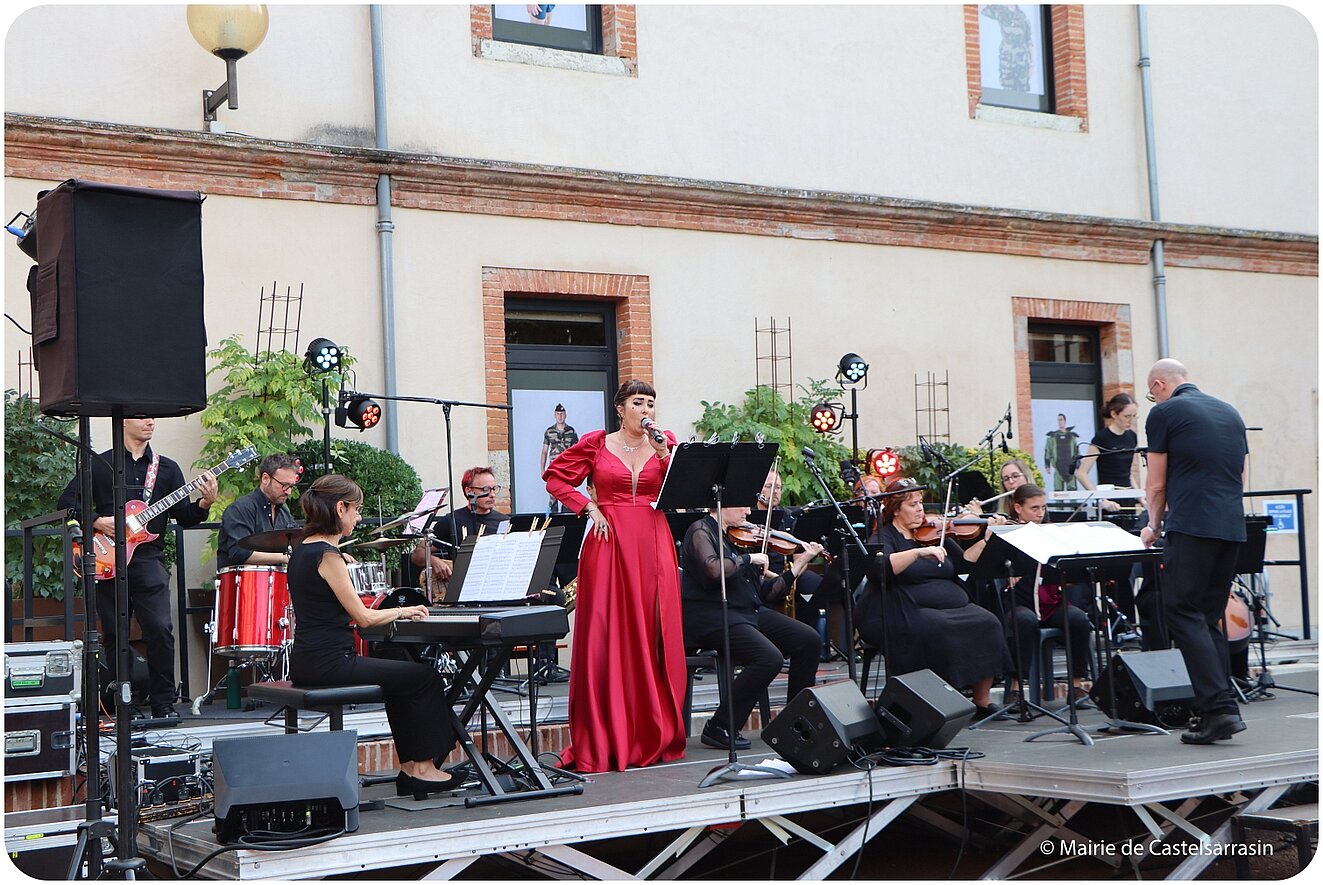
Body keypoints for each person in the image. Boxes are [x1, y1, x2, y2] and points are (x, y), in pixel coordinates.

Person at [543, 379, 687, 771]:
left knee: (651, 629)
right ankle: (606, 734)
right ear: (620, 408)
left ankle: (649, 731)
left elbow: (683, 490)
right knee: (607, 634)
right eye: (638, 402)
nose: (647, 410)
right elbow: (554, 477)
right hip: (608, 540)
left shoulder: (665, 442)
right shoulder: (595, 443)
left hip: (653, 541)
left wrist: (663, 455)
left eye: (651, 403)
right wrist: (586, 507)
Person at [287, 474, 459, 799]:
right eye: (356, 509)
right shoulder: (327, 555)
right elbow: (364, 618)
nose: (358, 517)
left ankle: (411, 769)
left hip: (308, 660)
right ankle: (422, 768)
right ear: (340, 508)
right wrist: (404, 611)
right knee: (423, 677)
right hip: (330, 663)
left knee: (400, 676)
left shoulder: (302, 550)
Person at [58, 417, 218, 718]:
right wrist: (96, 521)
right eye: (142, 416)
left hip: (148, 559)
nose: (150, 422)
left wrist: (203, 504)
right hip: (108, 558)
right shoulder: (99, 465)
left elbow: (182, 516)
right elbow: (65, 502)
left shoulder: (167, 468)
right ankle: (123, 703)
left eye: (152, 417)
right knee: (115, 634)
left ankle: (164, 703)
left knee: (160, 628)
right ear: (123, 422)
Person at [1141, 359, 1248, 744]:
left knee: (1180, 611)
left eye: (1151, 393)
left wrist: (1153, 526)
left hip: (1192, 524)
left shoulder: (1165, 413)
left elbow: (1155, 484)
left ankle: (1218, 708)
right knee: (1206, 615)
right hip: (1232, 526)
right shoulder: (1230, 412)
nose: (1152, 399)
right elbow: (1240, 476)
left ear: (1159, 383)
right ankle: (1220, 711)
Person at [853, 477, 1012, 720]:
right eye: (913, 504)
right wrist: (917, 552)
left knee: (988, 622)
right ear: (896, 510)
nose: (920, 510)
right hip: (899, 608)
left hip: (950, 607)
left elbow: (963, 563)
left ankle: (982, 701)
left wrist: (987, 539)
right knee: (938, 629)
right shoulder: (885, 536)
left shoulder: (933, 532)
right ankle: (941, 701)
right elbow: (879, 568)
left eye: (920, 503)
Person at [680, 503, 823, 749]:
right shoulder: (700, 530)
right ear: (724, 505)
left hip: (746, 611)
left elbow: (767, 593)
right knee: (769, 658)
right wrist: (748, 559)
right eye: (743, 507)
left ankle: (795, 721)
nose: (748, 514)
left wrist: (800, 565)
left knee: (808, 640)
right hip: (711, 615)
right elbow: (714, 569)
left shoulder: (735, 539)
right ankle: (721, 725)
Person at [1002, 484, 1093, 702]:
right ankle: (1016, 688)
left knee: (1079, 619)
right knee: (1024, 621)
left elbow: (1067, 572)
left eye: (1043, 508)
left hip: (1050, 604)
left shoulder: (1050, 534)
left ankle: (1076, 685)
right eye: (1034, 508)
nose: (1040, 513)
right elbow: (994, 568)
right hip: (1020, 603)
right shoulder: (1009, 536)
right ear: (1018, 508)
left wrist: (1069, 576)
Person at [408, 466, 510, 597]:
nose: (492, 494)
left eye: (494, 489)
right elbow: (417, 554)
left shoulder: (503, 521)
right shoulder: (451, 520)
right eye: (485, 489)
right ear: (469, 491)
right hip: (462, 591)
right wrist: (434, 560)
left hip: (496, 587)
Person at [216, 453, 301, 569]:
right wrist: (283, 557)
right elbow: (239, 554)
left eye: (291, 486)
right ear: (265, 478)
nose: (288, 492)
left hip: (275, 582)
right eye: (284, 485)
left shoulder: (283, 511)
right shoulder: (241, 509)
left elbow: (296, 541)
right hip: (242, 584)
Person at [1074, 393, 1145, 514]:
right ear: (1114, 414)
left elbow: (1128, 473)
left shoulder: (1132, 437)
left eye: (1134, 416)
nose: (1131, 421)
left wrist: (1140, 497)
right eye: (1127, 416)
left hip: (1128, 497)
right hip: (1109, 497)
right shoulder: (1102, 438)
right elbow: (1081, 473)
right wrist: (1102, 499)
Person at [540, 405, 579, 513]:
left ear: (565, 415)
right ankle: (552, 524)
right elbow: (544, 452)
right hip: (554, 470)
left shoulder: (571, 431)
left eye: (562, 414)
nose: (560, 416)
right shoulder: (549, 431)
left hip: (567, 469)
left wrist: (576, 470)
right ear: (554, 415)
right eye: (558, 414)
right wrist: (543, 470)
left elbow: (577, 451)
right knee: (553, 498)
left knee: (567, 496)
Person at [1043, 414, 1081, 492]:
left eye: (1061, 420)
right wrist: (1047, 465)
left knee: (1072, 492)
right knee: (1058, 492)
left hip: (1070, 469)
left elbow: (1076, 453)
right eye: (1058, 420)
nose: (1060, 422)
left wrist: (1077, 467)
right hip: (1058, 468)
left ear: (1065, 421)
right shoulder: (1052, 437)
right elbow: (1048, 451)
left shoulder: (1072, 436)